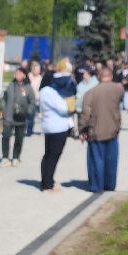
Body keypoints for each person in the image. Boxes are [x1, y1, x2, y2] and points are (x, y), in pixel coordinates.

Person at [79, 64, 124, 193]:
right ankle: (110, 185)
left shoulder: (91, 93)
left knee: (97, 160)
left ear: (99, 77)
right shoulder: (118, 89)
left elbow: (85, 114)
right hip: (113, 129)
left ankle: (97, 186)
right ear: (111, 76)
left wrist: (82, 130)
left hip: (96, 130)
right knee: (111, 160)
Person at [38, 60, 77, 192]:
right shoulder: (49, 92)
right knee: (53, 156)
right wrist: (70, 107)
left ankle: (46, 181)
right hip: (58, 128)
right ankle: (48, 184)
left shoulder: (43, 91)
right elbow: (63, 108)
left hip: (49, 126)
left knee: (48, 155)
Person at [0, 67, 36, 166]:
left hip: (21, 117)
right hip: (9, 116)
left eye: (19, 73)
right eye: (16, 73)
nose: (17, 75)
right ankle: (5, 157)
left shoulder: (28, 88)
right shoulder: (10, 86)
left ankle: (16, 157)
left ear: (24, 75)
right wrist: (3, 108)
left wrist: (28, 111)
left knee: (19, 138)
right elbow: (3, 98)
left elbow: (32, 102)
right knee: (6, 136)